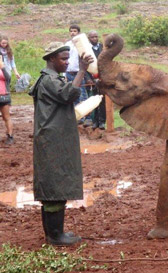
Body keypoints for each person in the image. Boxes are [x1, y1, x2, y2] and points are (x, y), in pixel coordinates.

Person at [29, 42, 93, 245]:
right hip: (52, 140)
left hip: (53, 139)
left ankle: (54, 234)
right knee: (54, 187)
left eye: (67, 58)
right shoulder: (49, 80)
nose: (67, 62)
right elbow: (69, 94)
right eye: (63, 59)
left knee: (54, 186)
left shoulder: (50, 79)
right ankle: (55, 236)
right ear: (51, 59)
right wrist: (82, 70)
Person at [65, 25, 92, 127]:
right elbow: (66, 59)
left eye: (75, 31)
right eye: (71, 31)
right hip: (69, 72)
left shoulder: (83, 44)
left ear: (78, 32)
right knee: (73, 96)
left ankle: (88, 118)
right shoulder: (67, 44)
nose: (72, 33)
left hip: (79, 72)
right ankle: (78, 117)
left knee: (83, 95)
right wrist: (64, 74)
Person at [85, 30, 106, 130]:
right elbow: (84, 66)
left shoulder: (103, 47)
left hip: (102, 78)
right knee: (93, 101)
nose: (94, 39)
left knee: (102, 101)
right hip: (91, 78)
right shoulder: (86, 49)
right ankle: (95, 122)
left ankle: (102, 122)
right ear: (88, 39)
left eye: (96, 37)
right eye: (92, 37)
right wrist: (88, 79)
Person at [0, 52, 14, 145]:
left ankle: (10, 136)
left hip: (4, 96)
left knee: (6, 117)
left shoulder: (4, 68)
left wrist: (2, 66)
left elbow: (8, 78)